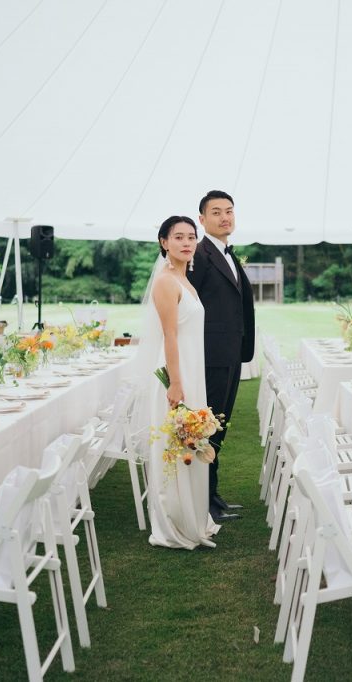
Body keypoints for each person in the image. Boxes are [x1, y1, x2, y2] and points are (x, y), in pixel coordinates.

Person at [139, 216, 220, 549]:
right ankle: (174, 522)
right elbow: (169, 335)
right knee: (174, 446)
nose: (187, 243)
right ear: (164, 242)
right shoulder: (165, 282)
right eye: (179, 237)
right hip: (175, 372)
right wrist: (174, 382)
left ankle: (194, 517)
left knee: (191, 440)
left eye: (191, 237)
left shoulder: (185, 280)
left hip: (191, 369)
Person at [187, 190, 256, 523]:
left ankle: (212, 494)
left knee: (219, 428)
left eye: (229, 211)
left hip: (229, 354)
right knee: (208, 428)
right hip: (210, 356)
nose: (224, 217)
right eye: (216, 212)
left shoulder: (227, 252)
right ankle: (203, 501)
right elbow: (187, 305)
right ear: (202, 219)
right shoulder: (199, 255)